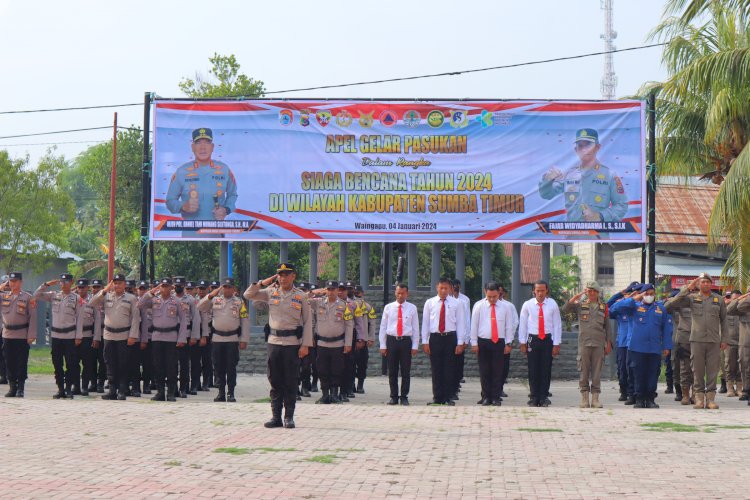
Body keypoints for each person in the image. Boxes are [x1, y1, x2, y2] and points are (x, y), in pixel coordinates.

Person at [244, 263, 312, 429]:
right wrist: (263, 282)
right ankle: (276, 416)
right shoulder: (270, 292)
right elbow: (248, 294)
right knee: (274, 379)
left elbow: (308, 322)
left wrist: (306, 344)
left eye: (286, 274)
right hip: (274, 342)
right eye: (280, 275)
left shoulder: (301, 296)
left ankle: (289, 416)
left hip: (292, 343)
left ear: (293, 276)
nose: (283, 278)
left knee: (290, 380)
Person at [538, 128, 628, 222]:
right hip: (571, 234)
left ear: (598, 147)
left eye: (588, 145)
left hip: (598, 235)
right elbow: (547, 194)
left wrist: (600, 216)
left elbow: (622, 205)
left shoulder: (609, 175)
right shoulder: (569, 174)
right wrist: (547, 180)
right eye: (580, 146)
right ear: (576, 149)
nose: (584, 149)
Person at [669, 273, 729, 409]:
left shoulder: (718, 300)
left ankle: (711, 399)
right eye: (703, 282)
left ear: (711, 283)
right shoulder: (691, 298)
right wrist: (687, 289)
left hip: (714, 340)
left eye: (708, 282)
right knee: (697, 370)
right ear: (698, 284)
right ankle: (699, 399)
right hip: (696, 340)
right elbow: (673, 303)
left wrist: (724, 339)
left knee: (713, 371)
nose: (706, 284)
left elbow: (724, 320)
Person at [609, 284, 672, 408]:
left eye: (651, 293)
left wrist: (666, 346)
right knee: (638, 374)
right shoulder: (633, 307)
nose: (649, 296)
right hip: (636, 348)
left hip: (654, 348)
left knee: (653, 374)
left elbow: (666, 329)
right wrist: (634, 298)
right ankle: (639, 399)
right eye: (646, 293)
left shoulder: (660, 309)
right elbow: (613, 309)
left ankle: (650, 399)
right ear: (642, 294)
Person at [165, 128, 238, 223]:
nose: (203, 147)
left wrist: (226, 210)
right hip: (190, 232)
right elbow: (170, 201)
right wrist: (182, 206)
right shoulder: (182, 171)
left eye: (207, 143)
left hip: (218, 231)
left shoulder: (224, 169)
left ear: (212, 147)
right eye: (198, 143)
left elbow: (232, 194)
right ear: (192, 147)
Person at [89, 274, 141, 400]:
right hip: (108, 335)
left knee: (123, 363)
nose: (117, 285)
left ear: (124, 284)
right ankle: (112, 390)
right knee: (109, 363)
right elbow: (92, 303)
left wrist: (133, 335)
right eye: (115, 283)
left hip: (124, 335)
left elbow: (135, 318)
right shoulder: (106, 296)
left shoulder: (131, 298)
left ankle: (122, 390)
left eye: (119, 283)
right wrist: (104, 290)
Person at [198, 277, 249, 403]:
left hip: (232, 339)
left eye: (229, 287)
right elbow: (200, 306)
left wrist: (244, 339)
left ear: (233, 288)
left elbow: (245, 321)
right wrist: (211, 294)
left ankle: (231, 393)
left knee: (231, 367)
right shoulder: (215, 300)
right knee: (218, 366)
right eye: (224, 287)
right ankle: (221, 392)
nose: (227, 289)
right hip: (217, 339)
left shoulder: (239, 302)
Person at [137, 279, 188, 401]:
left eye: (166, 286)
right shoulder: (154, 300)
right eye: (162, 286)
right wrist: (152, 291)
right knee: (157, 365)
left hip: (171, 337)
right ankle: (160, 392)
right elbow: (140, 304)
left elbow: (183, 320)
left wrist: (182, 338)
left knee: (171, 366)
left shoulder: (177, 301)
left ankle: (170, 392)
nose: (164, 288)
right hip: (157, 337)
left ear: (171, 288)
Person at [563, 281, 612, 408]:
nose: (591, 293)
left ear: (597, 292)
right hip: (584, 343)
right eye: (589, 291)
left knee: (596, 372)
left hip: (598, 343)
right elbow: (565, 309)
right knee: (584, 371)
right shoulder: (580, 305)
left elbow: (608, 326)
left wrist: (609, 343)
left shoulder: (603, 307)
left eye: (593, 291)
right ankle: (584, 397)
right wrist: (577, 296)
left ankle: (595, 398)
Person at [421, 277, 467, 406]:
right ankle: (437, 397)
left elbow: (461, 323)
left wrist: (460, 342)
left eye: (446, 288)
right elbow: (425, 323)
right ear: (437, 288)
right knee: (436, 368)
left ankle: (448, 397)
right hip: (435, 337)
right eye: (441, 288)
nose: (443, 290)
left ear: (450, 289)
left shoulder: (457, 303)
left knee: (449, 368)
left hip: (450, 338)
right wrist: (424, 341)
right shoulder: (430, 303)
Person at [35, 274, 82, 399]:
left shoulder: (76, 298)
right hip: (56, 336)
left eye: (66, 281)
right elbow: (36, 295)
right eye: (61, 282)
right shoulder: (54, 295)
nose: (63, 284)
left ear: (71, 282)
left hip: (70, 336)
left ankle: (68, 389)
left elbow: (80, 318)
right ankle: (60, 388)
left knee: (71, 364)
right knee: (57, 363)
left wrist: (78, 336)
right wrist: (47, 284)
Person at [308, 280, 353, 404]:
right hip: (322, 343)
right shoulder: (318, 303)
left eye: (333, 289)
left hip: (338, 344)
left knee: (336, 370)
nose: (330, 292)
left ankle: (334, 394)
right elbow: (302, 299)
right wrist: (313, 292)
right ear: (325, 290)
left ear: (337, 290)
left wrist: (348, 343)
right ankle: (325, 395)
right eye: (328, 289)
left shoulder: (344, 305)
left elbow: (349, 325)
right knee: (322, 370)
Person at [470, 281, 514, 406]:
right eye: (489, 296)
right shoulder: (479, 306)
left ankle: (495, 397)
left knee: (497, 370)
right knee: (484, 370)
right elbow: (474, 325)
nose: (492, 299)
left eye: (494, 296)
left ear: (499, 294)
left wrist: (508, 343)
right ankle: (485, 396)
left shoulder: (505, 307)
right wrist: (474, 343)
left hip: (499, 342)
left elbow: (508, 326)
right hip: (483, 341)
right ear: (485, 293)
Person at [519, 280, 561, 407]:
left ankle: (543, 396)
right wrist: (522, 342)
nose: (540, 293)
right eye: (538, 290)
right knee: (533, 369)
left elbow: (557, 325)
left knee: (545, 368)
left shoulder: (552, 304)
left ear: (546, 290)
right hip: (533, 339)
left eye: (543, 290)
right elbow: (523, 324)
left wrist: (556, 343)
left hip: (547, 339)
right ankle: (534, 396)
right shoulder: (528, 305)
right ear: (534, 291)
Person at [379, 283, 419, 406]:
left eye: (403, 293)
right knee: (392, 370)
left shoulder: (412, 308)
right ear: (395, 293)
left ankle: (404, 396)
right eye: (398, 293)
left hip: (406, 341)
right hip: (392, 340)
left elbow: (415, 327)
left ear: (407, 294)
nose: (400, 295)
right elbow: (383, 326)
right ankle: (394, 396)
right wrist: (383, 344)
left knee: (406, 371)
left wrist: (415, 345)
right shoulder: (388, 307)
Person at [1, 272, 37, 398]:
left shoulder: (28, 297)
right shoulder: (4, 296)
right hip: (7, 334)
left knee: (21, 362)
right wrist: (2, 286)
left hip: (22, 334)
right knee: (9, 362)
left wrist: (31, 335)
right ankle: (12, 387)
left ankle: (20, 388)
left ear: (21, 282)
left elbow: (33, 317)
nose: (13, 283)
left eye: (15, 281)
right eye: (11, 281)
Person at [607, 281, 639, 402]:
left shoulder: (640, 306)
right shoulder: (620, 307)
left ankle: (634, 392)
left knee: (634, 369)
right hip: (622, 343)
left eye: (635, 292)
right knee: (622, 369)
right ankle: (624, 391)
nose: (632, 295)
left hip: (635, 343)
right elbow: (607, 307)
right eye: (629, 292)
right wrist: (620, 295)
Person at [665, 288, 694, 405]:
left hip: (694, 339)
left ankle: (693, 393)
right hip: (678, 341)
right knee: (677, 367)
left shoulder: (694, 303)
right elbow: (666, 306)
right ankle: (679, 391)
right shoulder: (676, 306)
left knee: (693, 368)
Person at [173, 277, 200, 397]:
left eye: (180, 285)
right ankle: (173, 388)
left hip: (187, 334)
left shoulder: (191, 299)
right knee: (171, 363)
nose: (178, 287)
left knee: (184, 363)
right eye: (176, 285)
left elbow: (196, 318)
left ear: (184, 286)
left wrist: (194, 336)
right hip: (171, 334)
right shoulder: (170, 298)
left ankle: (184, 388)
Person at [74, 278, 100, 396]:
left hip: (87, 335)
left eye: (83, 287)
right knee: (73, 363)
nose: (80, 290)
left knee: (87, 363)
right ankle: (76, 386)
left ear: (87, 288)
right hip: (73, 336)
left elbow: (98, 319)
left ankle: (84, 386)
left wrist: (96, 338)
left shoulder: (92, 301)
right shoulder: (73, 299)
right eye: (78, 287)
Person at [353, 284, 377, 394]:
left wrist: (371, 338)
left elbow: (372, 323)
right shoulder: (348, 304)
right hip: (351, 339)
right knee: (350, 364)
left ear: (362, 293)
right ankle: (351, 384)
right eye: (355, 292)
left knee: (362, 364)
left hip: (364, 340)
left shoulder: (367, 307)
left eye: (359, 292)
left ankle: (360, 385)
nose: (357, 294)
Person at [727, 290, 750, 402]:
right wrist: (746, 298)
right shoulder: (743, 306)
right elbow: (730, 310)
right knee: (744, 366)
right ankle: (745, 390)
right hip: (745, 343)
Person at [497, 284, 518, 399]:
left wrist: (509, 336)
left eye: (501, 292)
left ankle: (500, 388)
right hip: (491, 339)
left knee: (503, 366)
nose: (499, 294)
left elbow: (514, 322)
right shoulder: (483, 304)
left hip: (505, 340)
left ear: (504, 293)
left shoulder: (509, 306)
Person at [452, 279, 471, 399]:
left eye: (457, 286)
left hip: (461, 335)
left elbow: (467, 319)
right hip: (449, 334)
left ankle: (457, 382)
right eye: (454, 286)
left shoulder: (465, 300)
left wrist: (466, 338)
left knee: (459, 361)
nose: (456, 288)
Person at [90, 279, 107, 393]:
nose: (96, 289)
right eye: (94, 287)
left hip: (103, 334)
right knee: (91, 360)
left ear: (102, 288)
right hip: (90, 334)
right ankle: (93, 382)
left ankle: (100, 383)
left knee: (102, 360)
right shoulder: (89, 300)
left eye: (98, 287)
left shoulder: (107, 300)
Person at [723, 290, 741, 397]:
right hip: (729, 342)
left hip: (742, 342)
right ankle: (730, 387)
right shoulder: (726, 310)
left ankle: (739, 387)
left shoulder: (743, 309)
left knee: (741, 365)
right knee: (729, 365)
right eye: (735, 299)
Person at [196, 280, 213, 390]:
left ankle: (206, 382)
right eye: (199, 288)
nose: (201, 291)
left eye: (203, 288)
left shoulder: (212, 301)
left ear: (208, 289)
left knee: (207, 359)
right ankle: (196, 382)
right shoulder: (194, 300)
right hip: (195, 332)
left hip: (209, 332)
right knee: (196, 359)